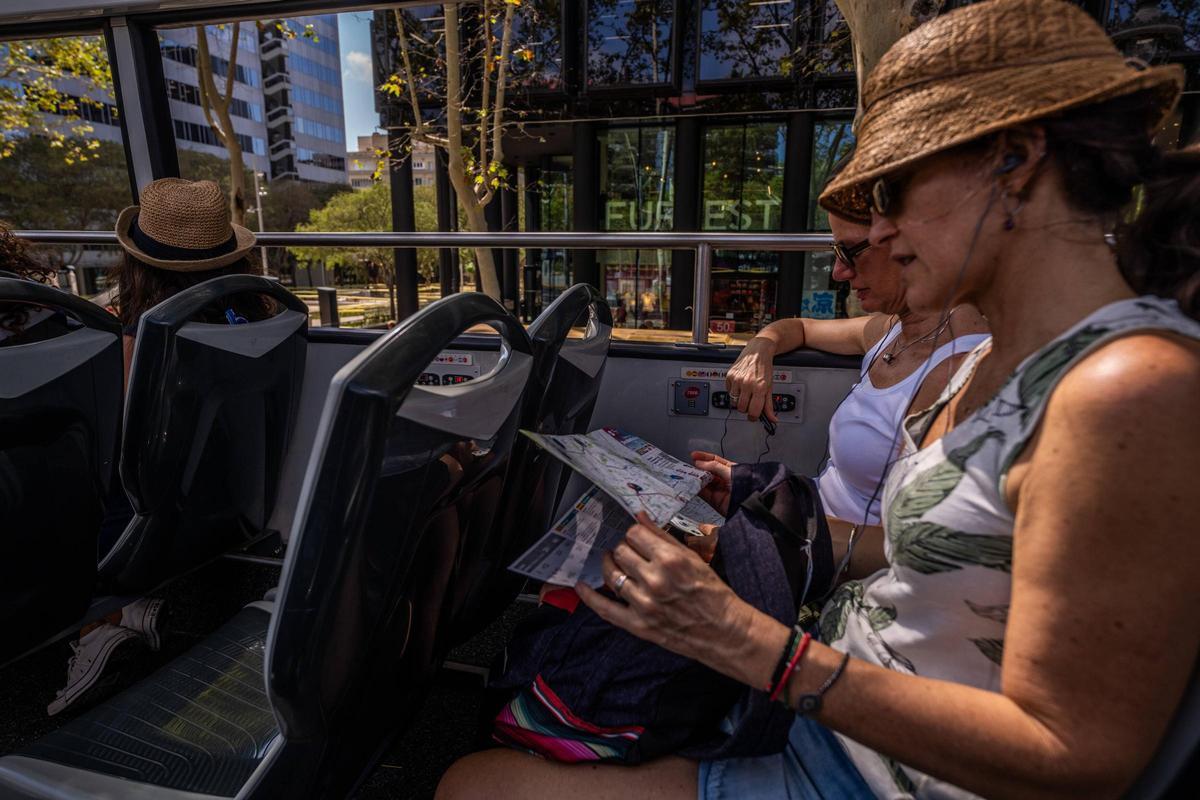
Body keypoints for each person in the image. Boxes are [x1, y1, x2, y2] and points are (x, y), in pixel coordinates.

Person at [437, 1, 1200, 797]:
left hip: (872, 771)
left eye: (896, 191)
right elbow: (928, 551)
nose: (884, 236)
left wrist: (741, 639)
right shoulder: (1004, 360)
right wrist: (772, 520)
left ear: (1014, 159)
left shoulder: (1129, 389)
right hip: (824, 702)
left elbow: (1076, 758)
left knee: (472, 786)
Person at [49, 177, 268, 716]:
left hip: (151, 524)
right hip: (235, 505)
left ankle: (99, 625)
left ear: (138, 266)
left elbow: (116, 444)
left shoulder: (137, 341)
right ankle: (128, 613)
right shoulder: (260, 320)